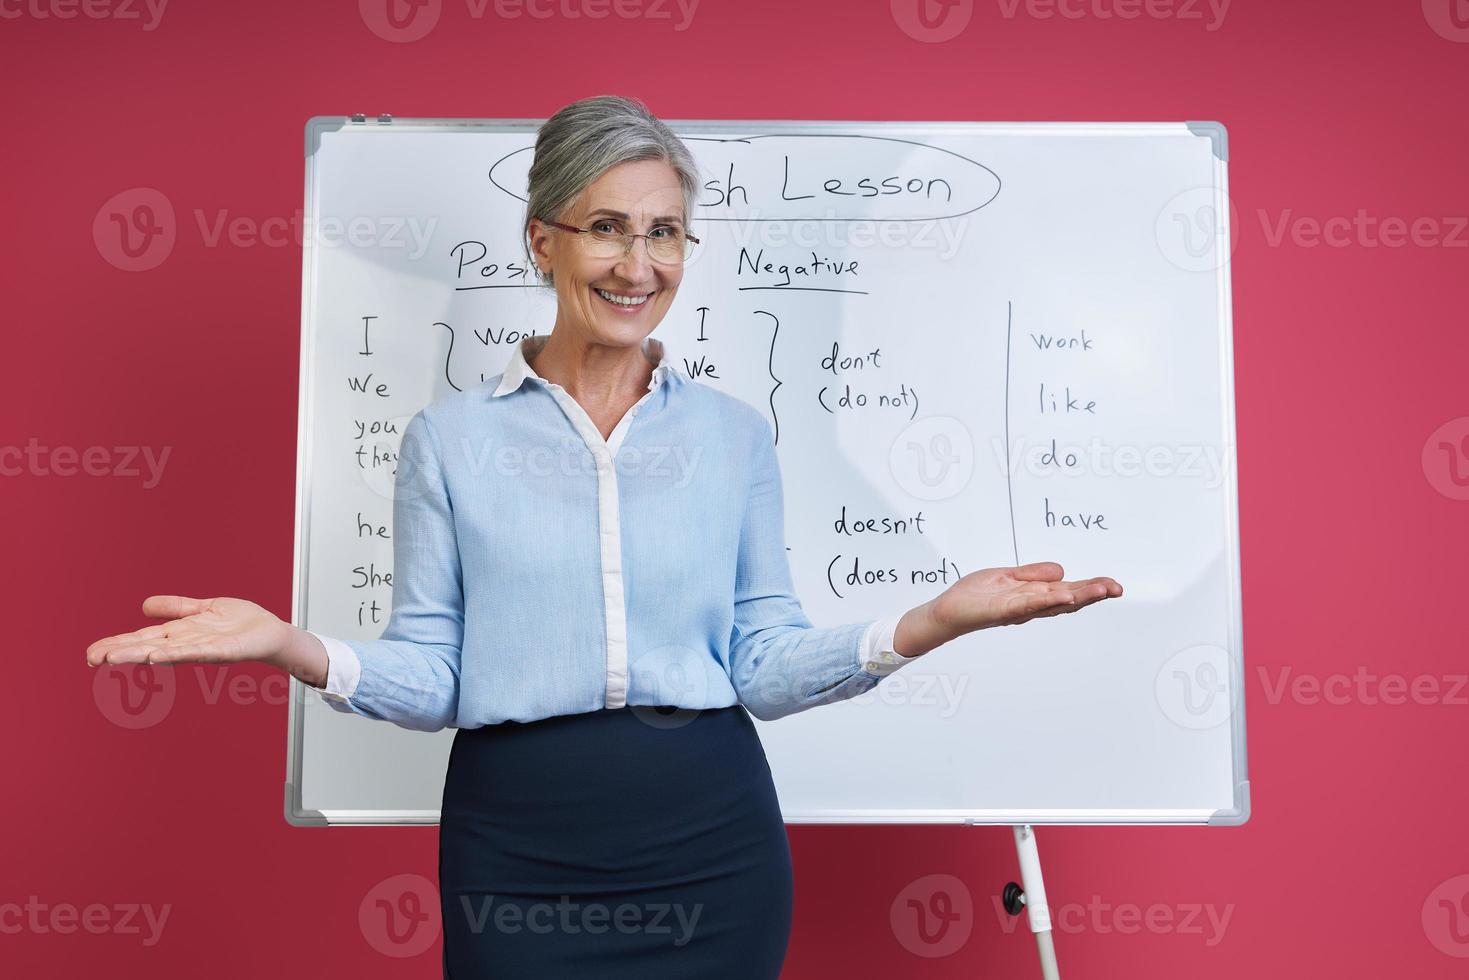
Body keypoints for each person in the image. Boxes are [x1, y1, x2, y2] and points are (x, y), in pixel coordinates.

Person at [84, 94, 1122, 978]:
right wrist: (288, 643)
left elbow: (760, 664)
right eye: (607, 227)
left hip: (712, 837)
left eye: (664, 231)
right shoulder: (449, 442)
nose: (639, 263)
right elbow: (434, 674)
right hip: (517, 844)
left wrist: (927, 620)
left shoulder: (730, 437)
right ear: (543, 237)